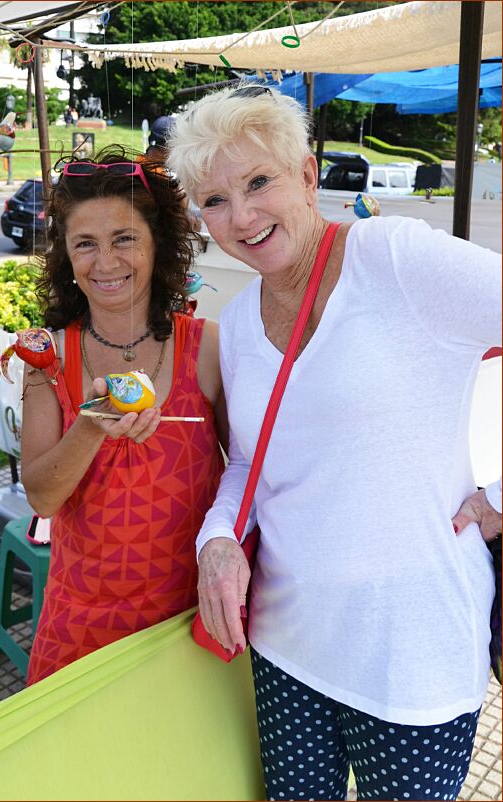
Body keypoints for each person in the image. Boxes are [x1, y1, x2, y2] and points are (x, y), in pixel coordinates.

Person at [166, 83, 502, 801]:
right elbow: (251, 463)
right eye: (214, 201)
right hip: (286, 646)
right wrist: (217, 539)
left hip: (409, 655)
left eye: (259, 182)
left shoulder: (395, 259)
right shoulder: (240, 317)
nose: (241, 216)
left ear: (308, 175)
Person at [21, 146, 227, 686]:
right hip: (80, 620)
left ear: (160, 246)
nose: (105, 263)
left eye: (125, 239)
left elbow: (249, 470)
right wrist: (90, 424)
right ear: (66, 257)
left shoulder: (205, 349)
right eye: (85, 244)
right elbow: (42, 497)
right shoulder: (48, 356)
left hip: (190, 613)